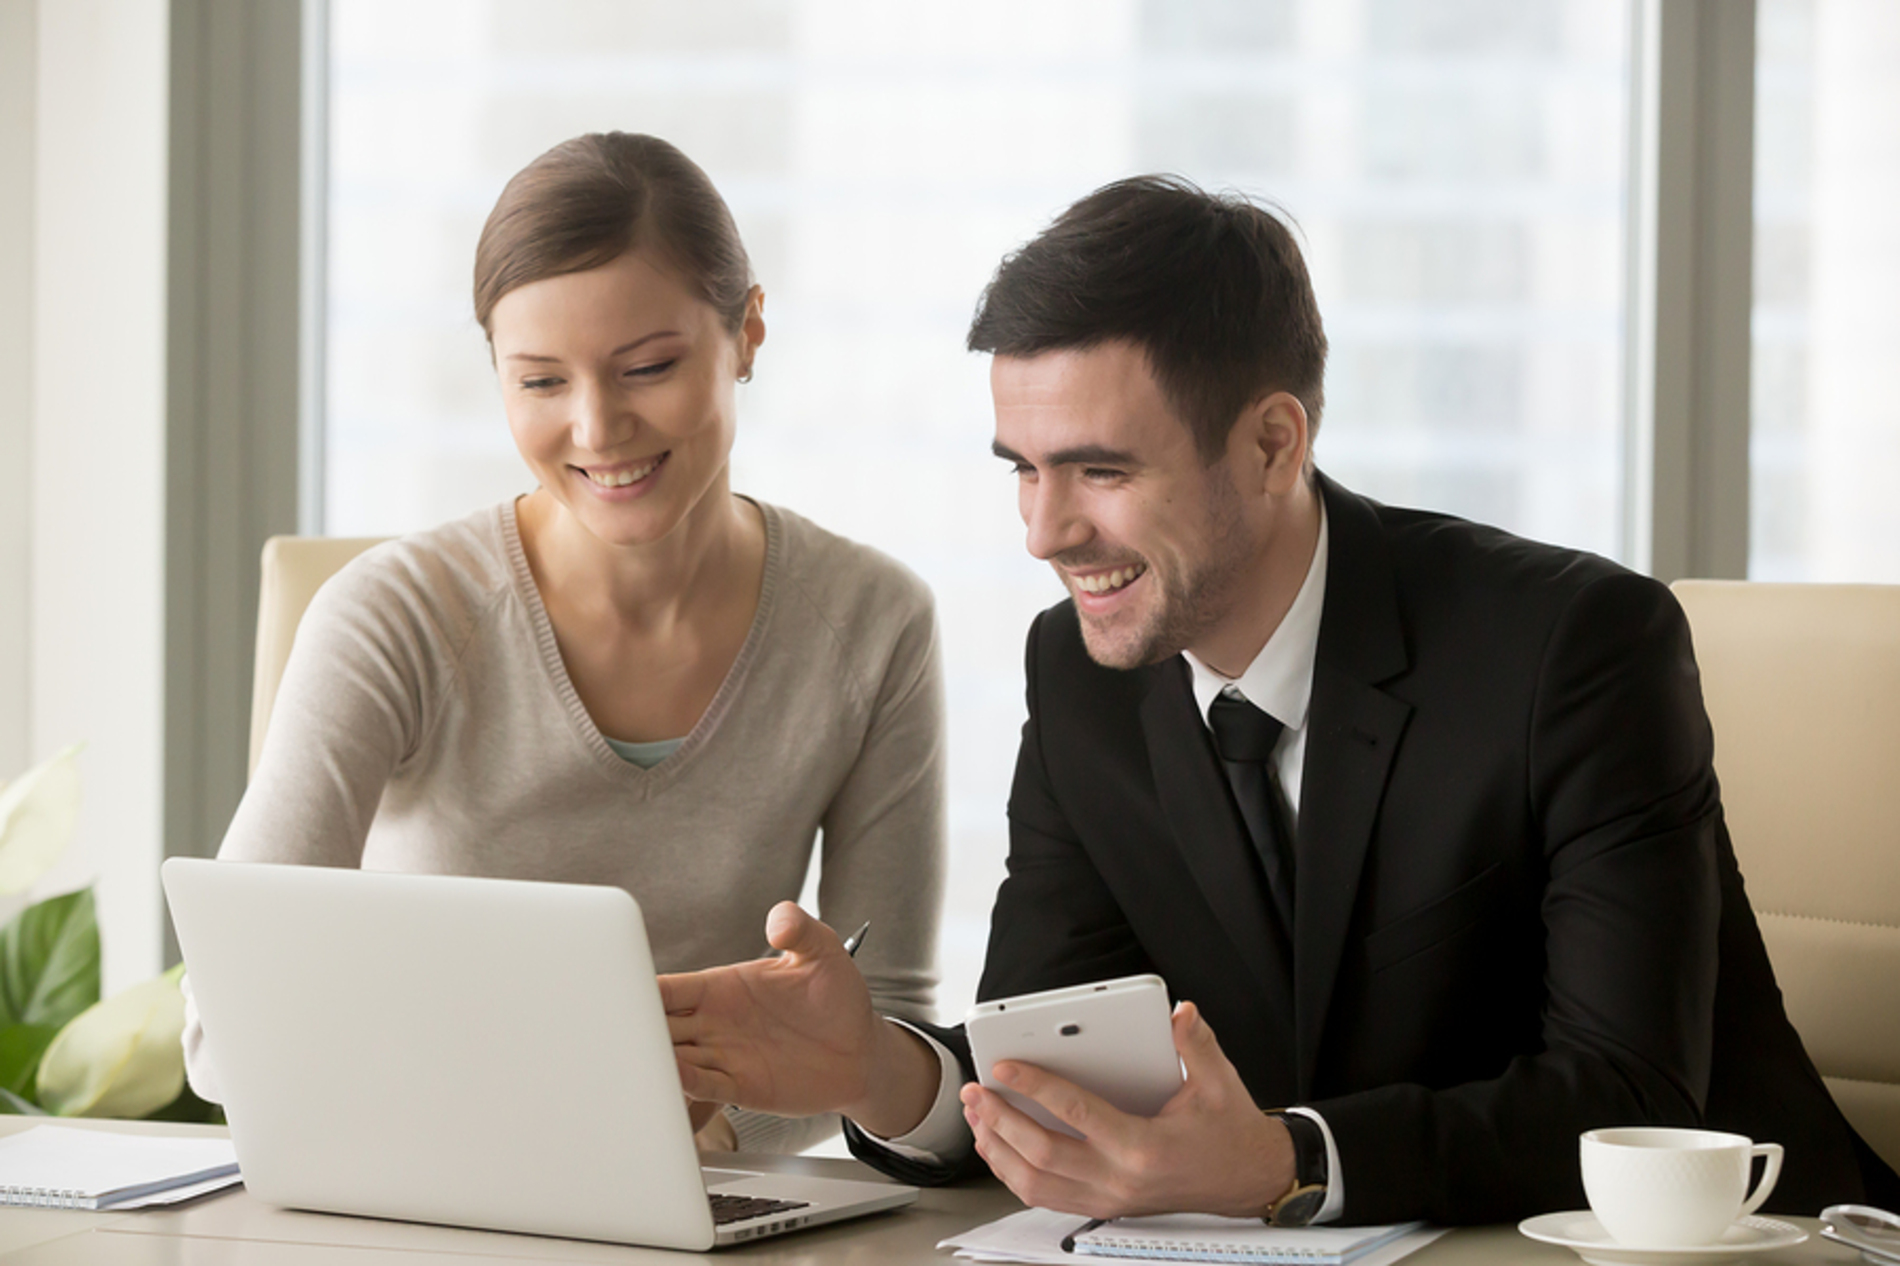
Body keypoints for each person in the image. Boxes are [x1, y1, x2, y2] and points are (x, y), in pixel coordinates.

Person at [658, 176, 1900, 1219]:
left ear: (1270, 443)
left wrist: (1290, 1161)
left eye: (1099, 470)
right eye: (1023, 471)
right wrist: (876, 1071)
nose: (1044, 531)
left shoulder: (1573, 650)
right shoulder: (1081, 677)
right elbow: (1058, 1060)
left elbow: (1629, 1096)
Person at [181, 132, 945, 1155]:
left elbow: (879, 1033)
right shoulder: (396, 618)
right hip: (430, 1186)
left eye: (649, 367)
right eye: (540, 383)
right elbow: (224, 1027)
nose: (596, 428)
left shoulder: (874, 624)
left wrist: (694, 1154)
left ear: (749, 332)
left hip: (717, 1199)